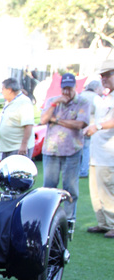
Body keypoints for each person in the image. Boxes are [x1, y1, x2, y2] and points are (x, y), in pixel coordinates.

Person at [40, 73, 90, 226]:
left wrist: (55, 120)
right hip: (51, 150)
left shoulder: (83, 102)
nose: (66, 92)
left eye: (69, 88)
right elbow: (43, 120)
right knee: (49, 186)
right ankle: (48, 217)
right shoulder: (52, 101)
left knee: (70, 187)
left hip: (72, 150)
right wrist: (55, 105)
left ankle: (68, 220)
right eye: (64, 88)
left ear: (75, 87)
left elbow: (80, 124)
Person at [83, 59, 114, 237]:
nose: (104, 79)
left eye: (108, 75)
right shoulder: (106, 97)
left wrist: (98, 126)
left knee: (107, 189)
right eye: (102, 76)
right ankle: (103, 222)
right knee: (96, 190)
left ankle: (112, 223)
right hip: (97, 153)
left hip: (109, 154)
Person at [0, 78, 35, 159]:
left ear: (9, 90)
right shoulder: (9, 102)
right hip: (8, 147)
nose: (1, 91)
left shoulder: (24, 102)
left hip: (17, 149)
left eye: (3, 89)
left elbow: (28, 125)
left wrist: (24, 145)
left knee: (17, 171)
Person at [79, 80, 105, 179]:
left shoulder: (80, 95)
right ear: (97, 88)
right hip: (90, 127)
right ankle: (84, 170)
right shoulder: (96, 98)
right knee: (87, 150)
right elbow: (101, 114)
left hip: (77, 127)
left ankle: (78, 170)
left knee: (78, 151)